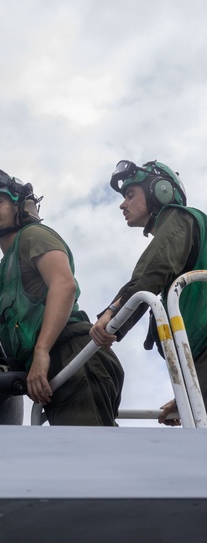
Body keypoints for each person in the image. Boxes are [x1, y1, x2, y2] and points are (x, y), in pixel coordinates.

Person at [0, 167, 124, 426]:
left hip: (73, 356)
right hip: (53, 368)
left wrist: (41, 352)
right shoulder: (0, 276)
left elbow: (64, 285)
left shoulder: (33, 236)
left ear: (19, 206)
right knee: (76, 450)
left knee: (89, 449)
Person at [90, 160, 207, 426]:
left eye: (130, 195)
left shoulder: (181, 217)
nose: (122, 205)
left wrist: (113, 316)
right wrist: (189, 399)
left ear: (161, 191)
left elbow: (152, 272)